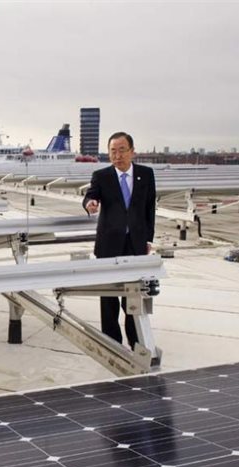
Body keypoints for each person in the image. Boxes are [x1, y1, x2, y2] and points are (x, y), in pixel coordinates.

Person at [82, 131, 156, 349]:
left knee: (133, 295)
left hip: (135, 244)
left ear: (132, 152)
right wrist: (90, 204)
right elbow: (90, 195)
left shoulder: (146, 174)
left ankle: (135, 341)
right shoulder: (101, 176)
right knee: (108, 298)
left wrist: (148, 239)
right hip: (108, 244)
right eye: (113, 151)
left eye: (122, 150)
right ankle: (112, 343)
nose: (117, 155)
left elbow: (149, 208)